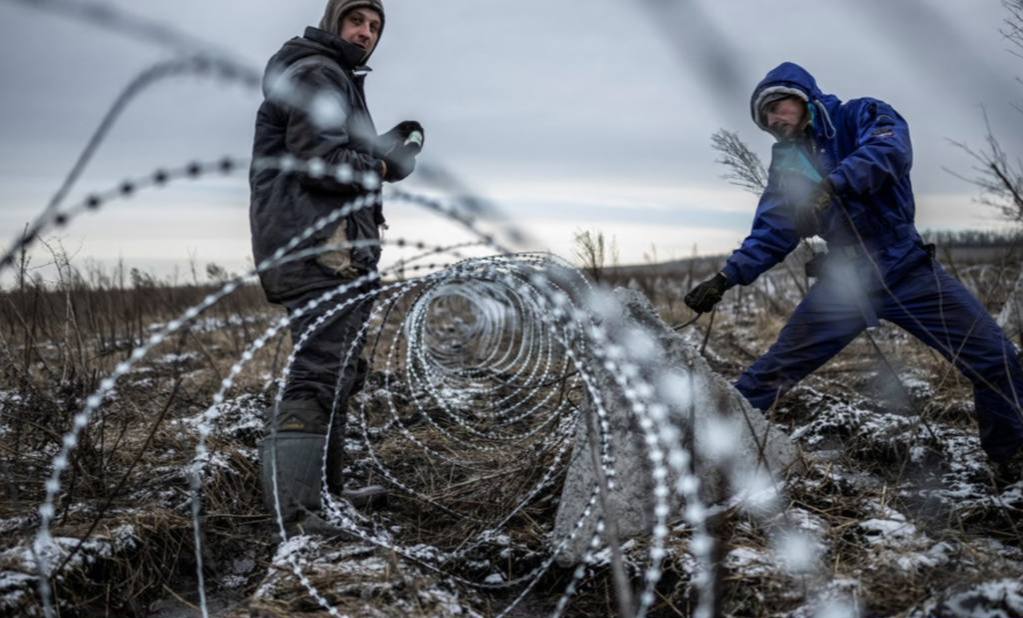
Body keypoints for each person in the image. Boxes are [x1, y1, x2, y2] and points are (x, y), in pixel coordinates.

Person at [684, 62, 1023, 487]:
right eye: (764, 119)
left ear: (802, 96)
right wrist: (726, 278)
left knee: (997, 358)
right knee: (775, 370)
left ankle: (1008, 461)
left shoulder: (862, 115)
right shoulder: (788, 165)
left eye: (776, 106)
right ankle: (697, 455)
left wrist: (834, 184)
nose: (771, 120)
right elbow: (773, 230)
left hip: (906, 267)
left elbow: (891, 151)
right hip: (846, 282)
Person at [249, 0, 424, 523]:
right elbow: (319, 162)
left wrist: (377, 153)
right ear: (333, 22)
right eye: (356, 21)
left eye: (374, 26)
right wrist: (382, 165)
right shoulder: (319, 73)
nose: (366, 32)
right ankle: (298, 513)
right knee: (320, 370)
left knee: (339, 368)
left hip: (332, 248)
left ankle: (325, 496)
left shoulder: (332, 76)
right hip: (319, 250)